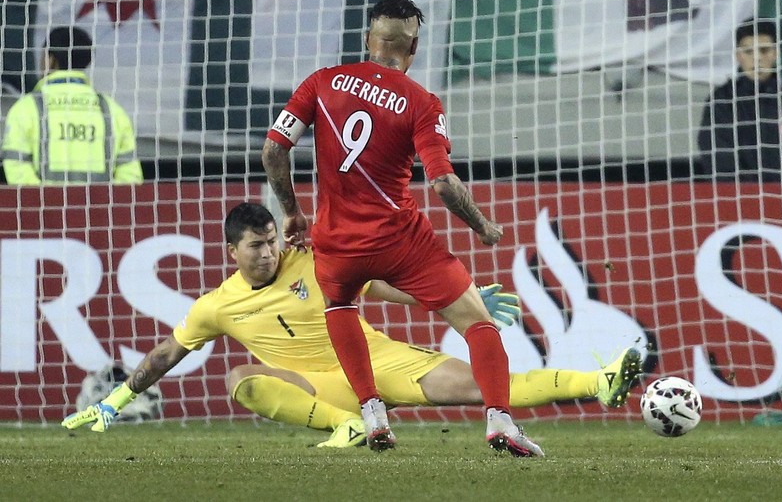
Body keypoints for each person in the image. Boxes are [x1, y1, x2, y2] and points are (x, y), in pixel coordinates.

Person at [61, 202, 643, 449]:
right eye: (255, 247)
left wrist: (449, 296)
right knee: (241, 378)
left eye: (271, 242)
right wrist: (114, 402)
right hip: (322, 386)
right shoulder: (218, 305)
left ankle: (602, 381)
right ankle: (353, 427)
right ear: (230, 251)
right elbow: (167, 353)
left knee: (488, 389)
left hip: (378, 360)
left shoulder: (311, 257)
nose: (267, 253)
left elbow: (377, 281)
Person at [262, 0, 547, 456]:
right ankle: (499, 421)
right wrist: (482, 226)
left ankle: (372, 411)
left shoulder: (320, 82)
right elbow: (443, 185)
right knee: (478, 322)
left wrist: (291, 212)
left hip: (336, 243)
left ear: (366, 40)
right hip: (400, 241)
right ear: (414, 50)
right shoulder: (422, 102)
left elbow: (274, 150)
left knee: (340, 306)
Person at [1, 26, 143, 185]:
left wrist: (46, 203)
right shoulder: (112, 110)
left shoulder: (26, 108)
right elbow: (130, 177)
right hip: (101, 209)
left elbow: (16, 168)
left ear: (50, 59)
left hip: (44, 208)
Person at [697, 19, 782, 182]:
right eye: (749, 51)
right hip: (739, 199)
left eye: (764, 50)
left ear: (776, 53)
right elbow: (718, 158)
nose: (757, 58)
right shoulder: (723, 100)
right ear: (738, 56)